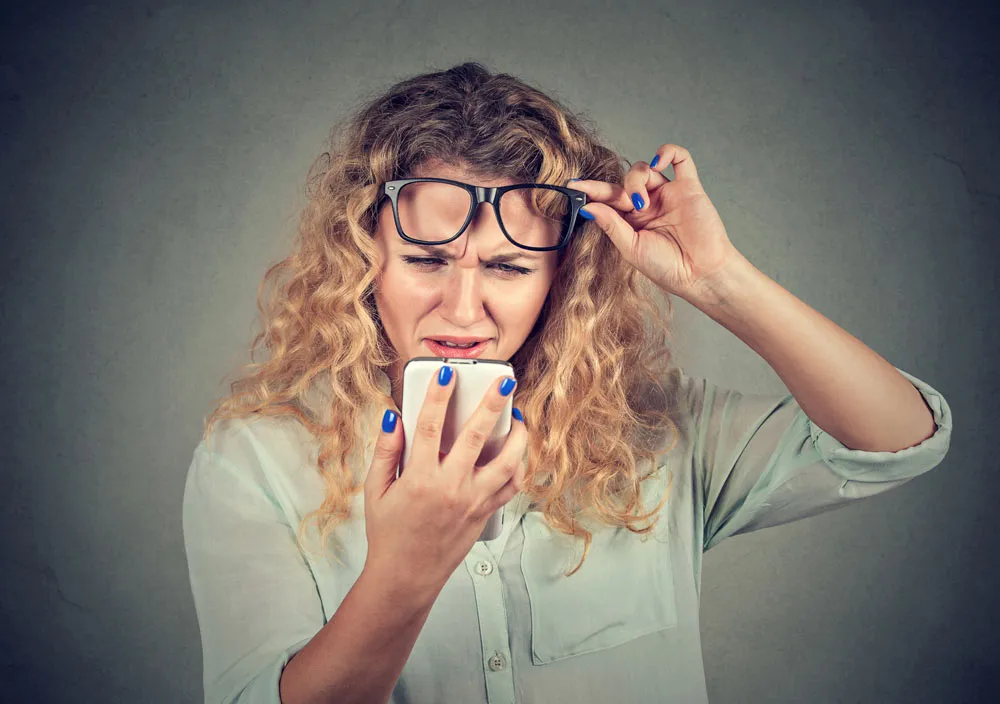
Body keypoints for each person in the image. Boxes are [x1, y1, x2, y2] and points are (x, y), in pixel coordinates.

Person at [181, 62, 953, 704]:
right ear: (364, 253)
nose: (461, 308)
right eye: (425, 262)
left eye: (509, 268)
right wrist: (403, 575)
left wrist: (721, 282)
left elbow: (899, 442)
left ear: (559, 276)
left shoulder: (654, 429)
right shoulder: (258, 459)